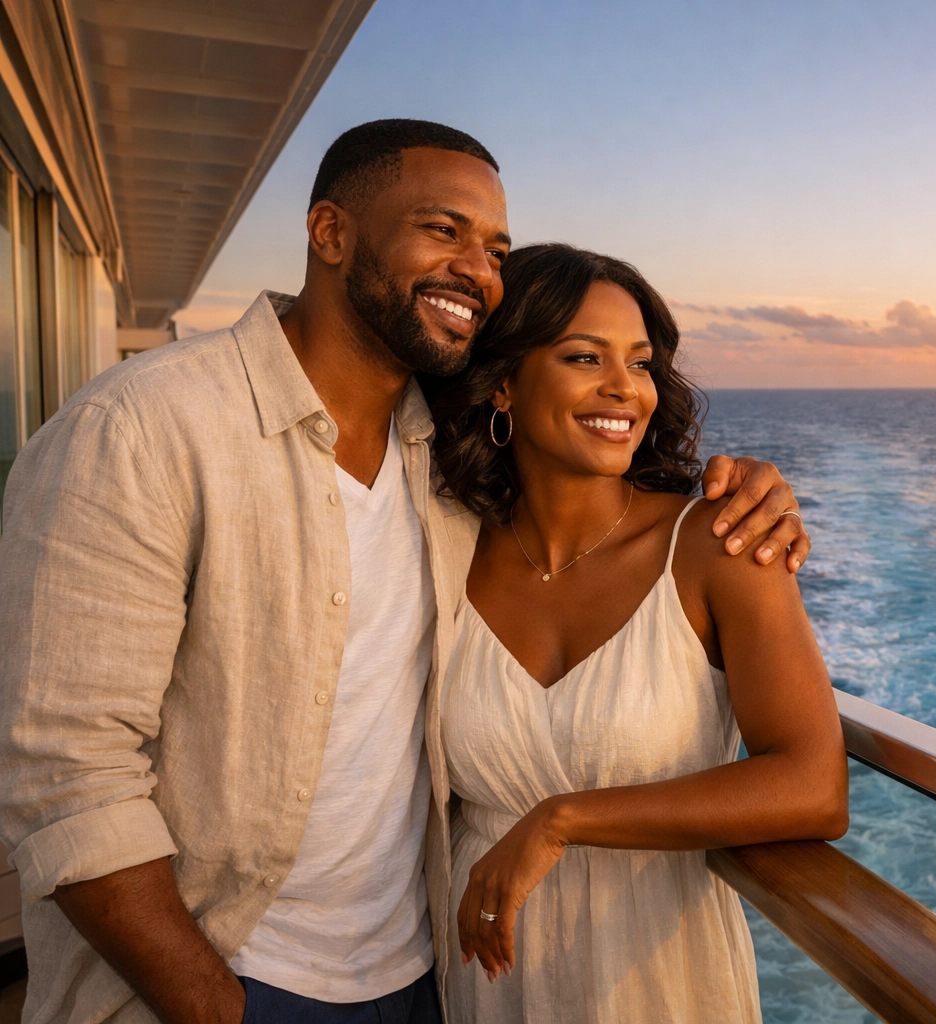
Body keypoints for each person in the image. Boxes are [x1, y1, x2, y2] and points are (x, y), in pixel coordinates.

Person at [0, 120, 809, 1024]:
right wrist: (212, 1007)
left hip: (432, 972)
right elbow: (65, 774)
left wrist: (746, 489)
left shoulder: (445, 476)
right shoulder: (143, 429)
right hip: (219, 972)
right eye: (443, 229)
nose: (477, 268)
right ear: (331, 233)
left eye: (495, 246)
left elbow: (586, 487)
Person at [424, 243, 848, 1023]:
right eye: (585, 357)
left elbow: (815, 786)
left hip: (663, 981)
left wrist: (561, 821)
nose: (625, 388)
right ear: (505, 381)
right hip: (486, 982)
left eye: (642, 363)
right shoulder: (441, 549)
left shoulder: (721, 546)